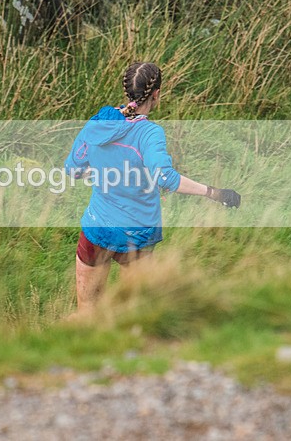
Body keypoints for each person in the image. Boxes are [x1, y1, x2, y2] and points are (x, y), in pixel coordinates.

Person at [64, 62, 240, 313]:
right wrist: (214, 193)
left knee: (87, 311)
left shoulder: (98, 123)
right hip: (137, 236)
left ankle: (86, 350)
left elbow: (73, 169)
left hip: (96, 228)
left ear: (126, 91)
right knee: (135, 314)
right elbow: (165, 178)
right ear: (156, 94)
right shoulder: (149, 133)